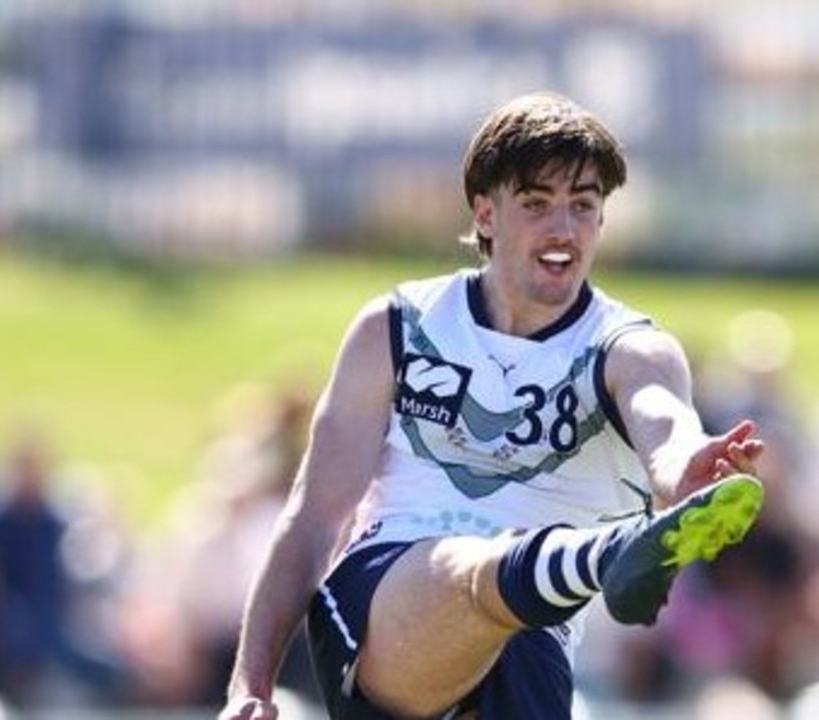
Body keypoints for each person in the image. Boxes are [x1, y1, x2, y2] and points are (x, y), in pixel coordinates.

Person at [217, 91, 766, 720]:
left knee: (513, 623)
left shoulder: (632, 349)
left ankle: (605, 552)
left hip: (530, 646)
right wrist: (250, 687)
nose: (563, 230)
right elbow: (312, 520)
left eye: (583, 206)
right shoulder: (396, 328)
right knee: (463, 568)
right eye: (537, 204)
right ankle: (607, 552)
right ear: (484, 214)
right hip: (383, 614)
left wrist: (690, 470)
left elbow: (665, 424)